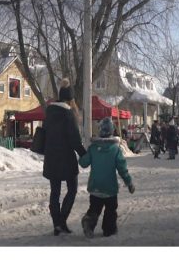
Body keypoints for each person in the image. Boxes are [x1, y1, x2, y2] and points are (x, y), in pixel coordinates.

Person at [42, 78, 86, 236]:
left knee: (55, 192)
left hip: (51, 159)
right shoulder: (68, 114)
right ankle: (62, 221)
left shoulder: (49, 112)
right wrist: (85, 156)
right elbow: (75, 140)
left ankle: (56, 224)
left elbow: (45, 134)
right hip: (66, 159)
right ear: (71, 99)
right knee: (72, 189)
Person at [79, 117, 135, 238]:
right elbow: (122, 169)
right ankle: (109, 230)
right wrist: (129, 182)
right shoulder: (116, 149)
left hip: (95, 186)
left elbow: (83, 163)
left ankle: (89, 222)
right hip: (110, 188)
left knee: (94, 208)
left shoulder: (93, 148)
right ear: (112, 131)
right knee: (110, 210)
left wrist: (82, 152)